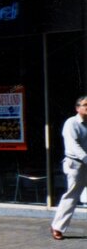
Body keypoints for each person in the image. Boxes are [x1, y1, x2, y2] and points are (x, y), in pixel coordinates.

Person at [50, 95, 87, 239]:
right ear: (77, 108)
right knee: (72, 196)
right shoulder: (71, 123)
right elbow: (74, 145)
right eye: (85, 105)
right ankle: (57, 227)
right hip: (76, 164)